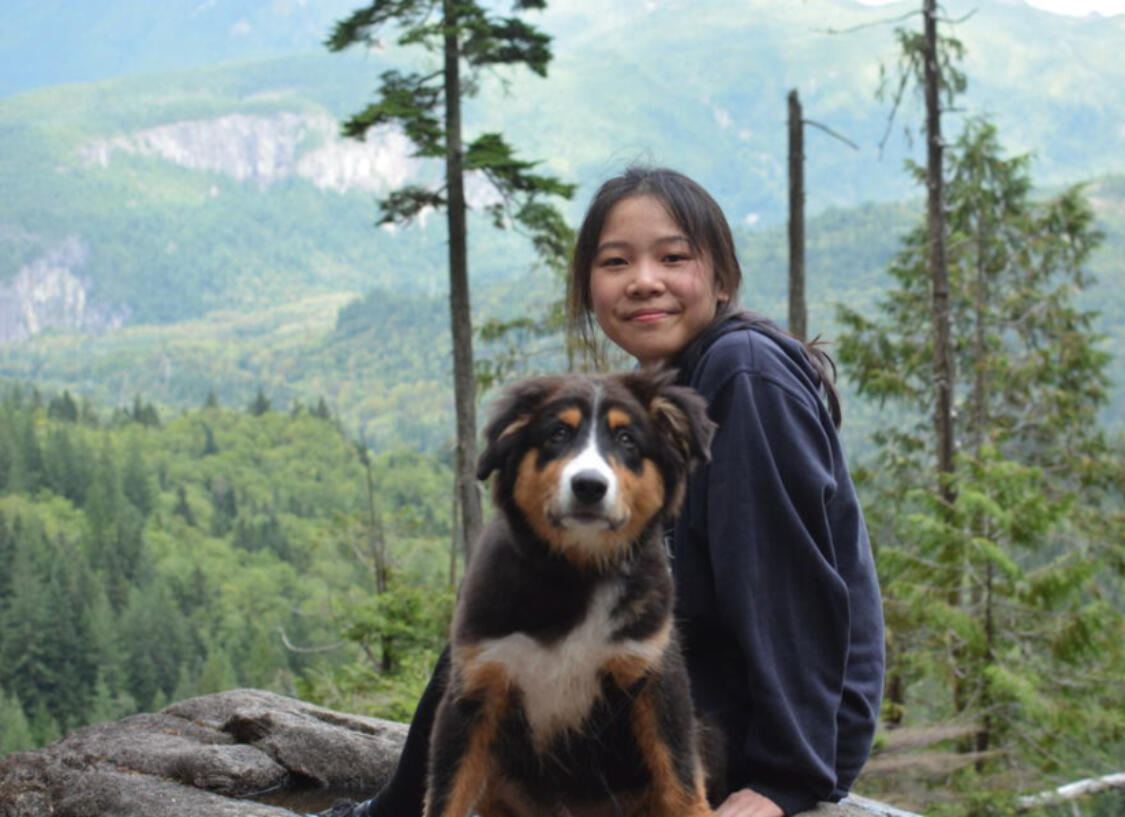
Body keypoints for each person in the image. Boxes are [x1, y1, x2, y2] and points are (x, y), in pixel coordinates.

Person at [321, 166, 884, 817]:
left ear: (723, 277)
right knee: (509, 583)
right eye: (616, 261)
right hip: (690, 685)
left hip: (746, 725)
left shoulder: (743, 372)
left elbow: (784, 584)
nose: (645, 279)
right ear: (590, 288)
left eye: (674, 257)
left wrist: (787, 778)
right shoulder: (655, 391)